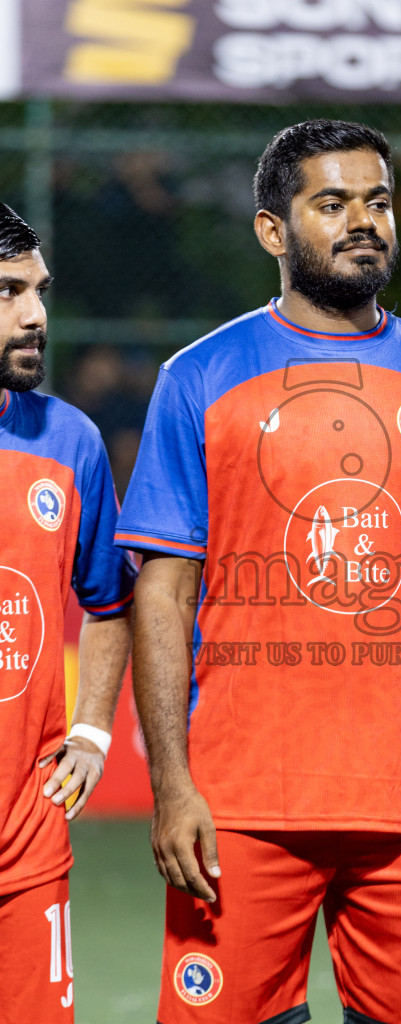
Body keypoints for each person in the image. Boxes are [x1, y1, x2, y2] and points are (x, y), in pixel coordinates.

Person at [117, 119, 401, 1024]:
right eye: (332, 203)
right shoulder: (199, 378)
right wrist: (172, 783)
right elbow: (163, 590)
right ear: (272, 230)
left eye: (377, 202)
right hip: (241, 802)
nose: (362, 221)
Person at [0, 203, 137, 1023]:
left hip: (27, 840)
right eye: (7, 291)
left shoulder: (69, 441)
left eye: (39, 291)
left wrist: (90, 732)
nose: (35, 316)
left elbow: (110, 602)